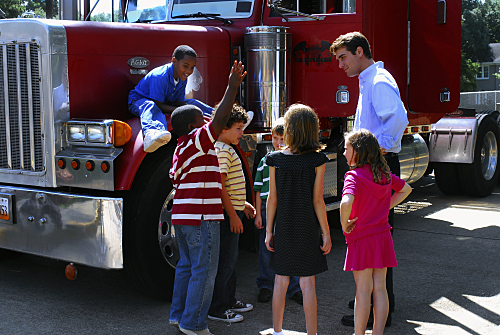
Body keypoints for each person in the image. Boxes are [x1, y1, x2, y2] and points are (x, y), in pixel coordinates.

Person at [330, 31, 409, 327]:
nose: (340, 64)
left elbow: (398, 117)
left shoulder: (378, 80)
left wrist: (377, 150)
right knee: (374, 235)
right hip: (373, 164)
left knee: (374, 234)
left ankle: (375, 310)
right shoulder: (369, 80)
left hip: (377, 165)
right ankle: (370, 304)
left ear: (360, 51)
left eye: (343, 57)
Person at [168, 61, 246, 335]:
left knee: (186, 267)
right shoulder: (196, 140)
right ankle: (194, 324)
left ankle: (179, 317)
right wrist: (232, 86)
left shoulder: (181, 148)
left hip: (183, 217)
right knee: (204, 271)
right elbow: (220, 120)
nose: (209, 123)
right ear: (193, 126)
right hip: (202, 218)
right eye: (203, 120)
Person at [265, 104, 332, 335]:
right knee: (308, 283)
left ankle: (277, 330)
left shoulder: (274, 159)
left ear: (290, 129)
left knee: (280, 281)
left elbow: (271, 199)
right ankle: (312, 333)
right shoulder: (318, 160)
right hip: (307, 227)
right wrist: (326, 232)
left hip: (283, 226)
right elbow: (317, 201)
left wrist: (268, 231)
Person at [341, 129, 412, 335]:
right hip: (383, 237)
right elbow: (406, 189)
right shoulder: (383, 174)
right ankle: (378, 332)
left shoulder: (353, 176)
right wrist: (385, 207)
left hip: (362, 239)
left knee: (363, 291)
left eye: (347, 149)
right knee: (380, 289)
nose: (344, 153)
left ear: (358, 151)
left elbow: (346, 201)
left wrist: (344, 223)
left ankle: (359, 333)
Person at [207, 104, 256, 323]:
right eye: (238, 128)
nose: (241, 133)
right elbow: (219, 187)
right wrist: (234, 215)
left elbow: (229, 189)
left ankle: (229, 299)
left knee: (231, 259)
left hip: (232, 211)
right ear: (223, 128)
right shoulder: (223, 150)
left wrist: (242, 204)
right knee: (225, 261)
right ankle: (217, 308)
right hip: (227, 217)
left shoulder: (227, 148)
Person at [254, 118, 303, 304]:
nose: (278, 142)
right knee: (266, 249)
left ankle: (294, 287)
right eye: (275, 137)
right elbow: (258, 189)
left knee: (291, 248)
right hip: (268, 211)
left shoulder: (295, 161)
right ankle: (266, 285)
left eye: (282, 138)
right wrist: (258, 214)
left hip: (288, 210)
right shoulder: (265, 161)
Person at [129, 45, 214, 153]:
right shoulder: (159, 76)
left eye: (192, 67)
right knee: (150, 106)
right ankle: (152, 132)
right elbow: (158, 104)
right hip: (139, 101)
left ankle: (216, 116)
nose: (189, 70)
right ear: (174, 61)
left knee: (192, 103)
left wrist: (188, 109)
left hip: (165, 101)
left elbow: (179, 102)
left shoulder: (182, 77)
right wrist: (181, 111)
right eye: (186, 65)